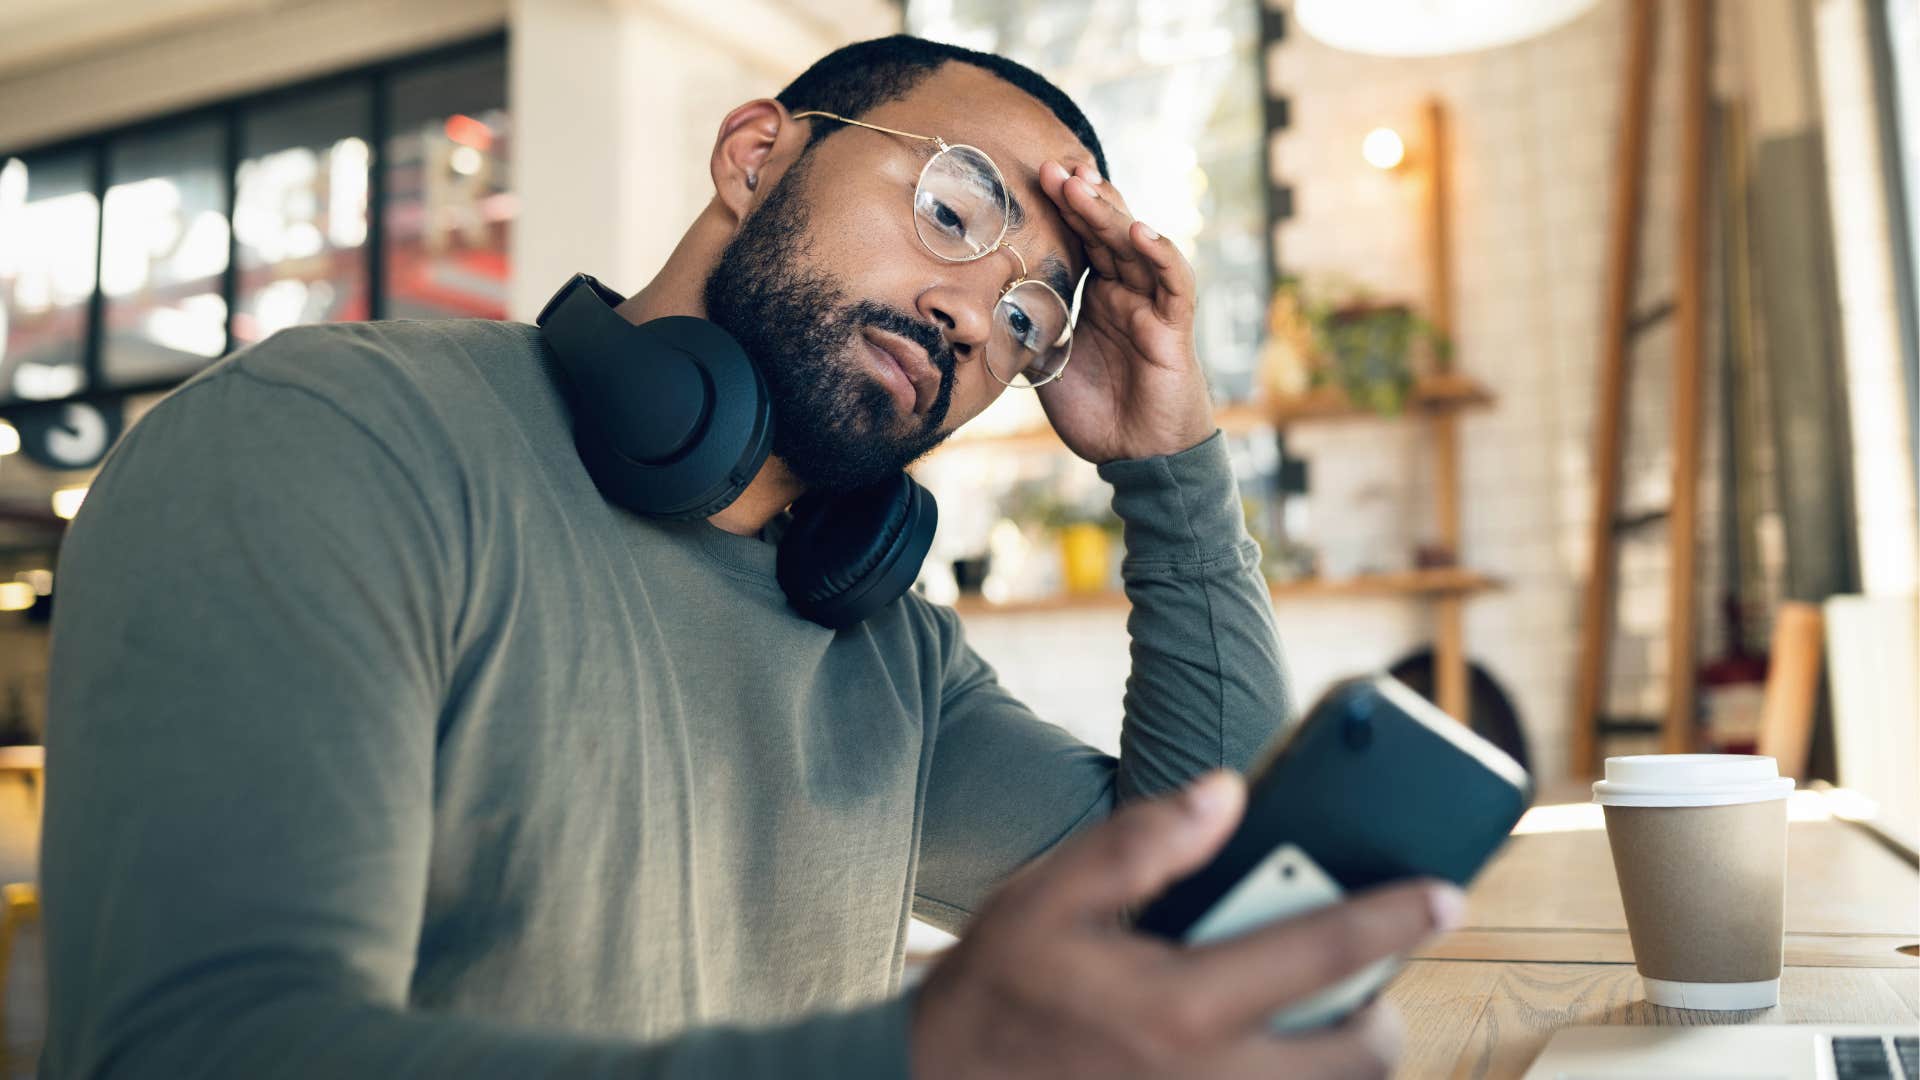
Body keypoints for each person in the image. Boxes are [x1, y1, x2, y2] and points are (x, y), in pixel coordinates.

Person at [40, 34, 1459, 1078]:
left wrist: (1170, 465)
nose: (979, 313)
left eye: (1032, 317)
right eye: (954, 209)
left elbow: (1194, 907)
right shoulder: (333, 442)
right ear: (755, 154)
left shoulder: (894, 660)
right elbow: (205, 1046)